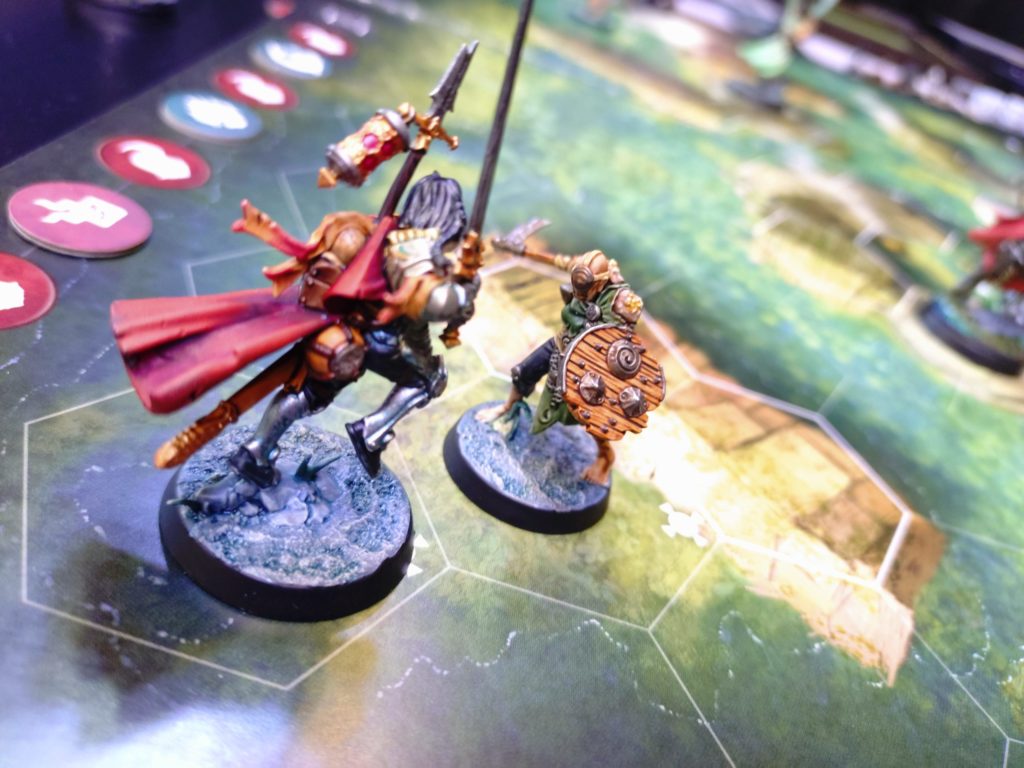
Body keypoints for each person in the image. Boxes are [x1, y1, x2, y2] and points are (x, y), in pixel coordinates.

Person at [479, 248, 643, 485]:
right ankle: (507, 407)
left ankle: (605, 456)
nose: (580, 295)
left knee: (592, 414)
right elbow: (558, 260)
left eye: (586, 290)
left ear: (600, 282)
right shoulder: (582, 271)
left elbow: (625, 339)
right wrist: (522, 251)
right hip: (562, 342)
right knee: (522, 372)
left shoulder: (622, 300)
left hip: (590, 361)